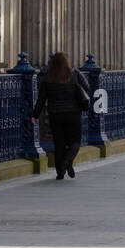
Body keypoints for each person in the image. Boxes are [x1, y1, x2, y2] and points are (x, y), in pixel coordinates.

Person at [31, 52, 89, 181]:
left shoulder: (48, 77)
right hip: (73, 113)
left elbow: (41, 99)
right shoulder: (74, 74)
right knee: (75, 141)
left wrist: (35, 115)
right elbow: (87, 87)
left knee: (59, 143)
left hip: (55, 114)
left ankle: (60, 173)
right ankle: (68, 161)